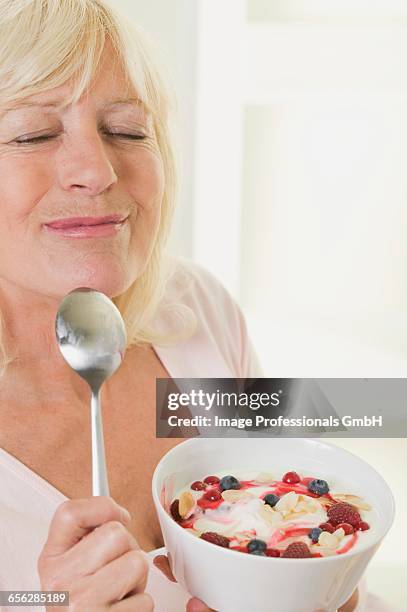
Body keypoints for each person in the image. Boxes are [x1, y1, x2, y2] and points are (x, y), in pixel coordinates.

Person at [0, 1, 396, 611]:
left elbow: (294, 522)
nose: (96, 169)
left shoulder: (196, 311)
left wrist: (328, 597)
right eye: (33, 134)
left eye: (128, 130)